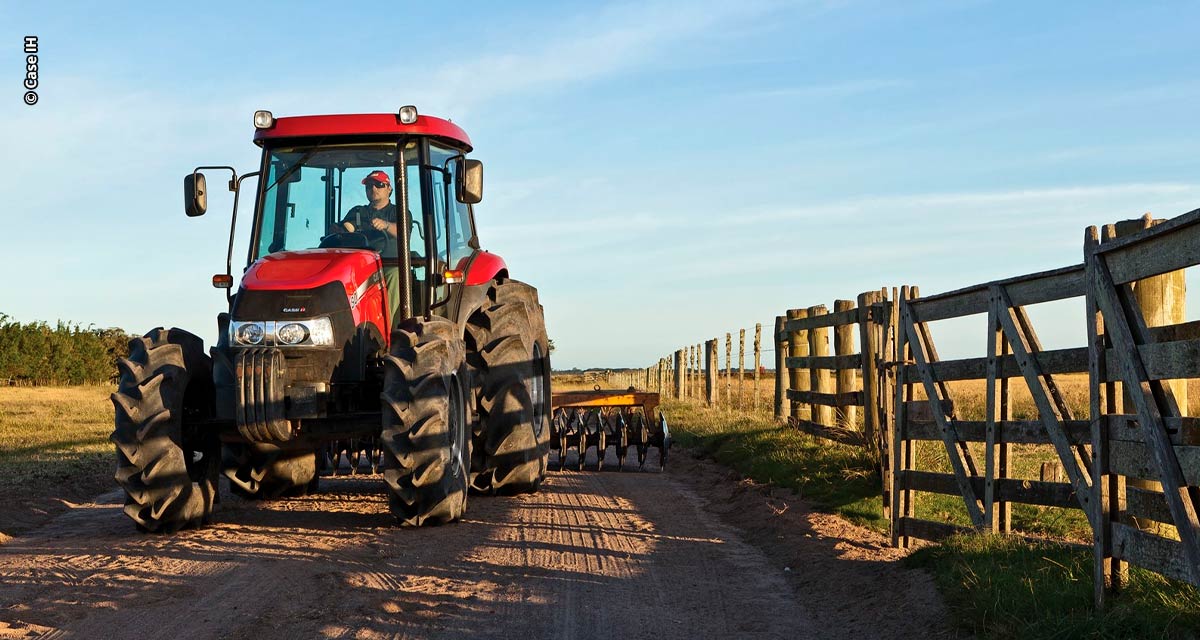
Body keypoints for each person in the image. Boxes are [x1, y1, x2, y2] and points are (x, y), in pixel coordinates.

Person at [339, 170, 405, 326]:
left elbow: (403, 232)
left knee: (396, 274)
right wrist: (343, 229)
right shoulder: (358, 212)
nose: (373, 189)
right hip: (362, 267)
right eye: (369, 186)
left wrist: (386, 225)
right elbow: (346, 227)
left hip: (389, 265)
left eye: (379, 185)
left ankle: (389, 328)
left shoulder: (399, 211)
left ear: (389, 188)